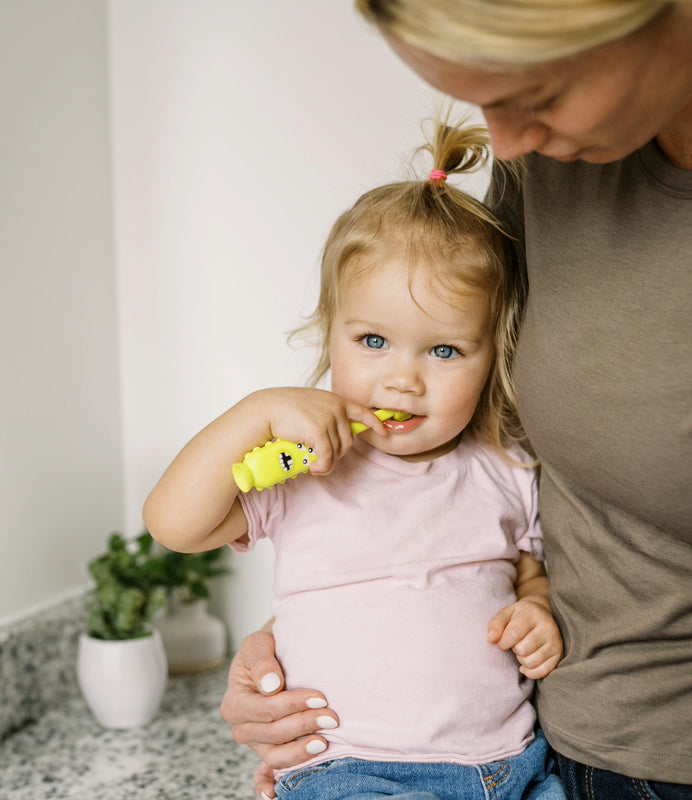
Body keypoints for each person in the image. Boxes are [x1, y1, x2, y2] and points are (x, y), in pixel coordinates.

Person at [218, 2, 692, 799]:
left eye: (541, 89)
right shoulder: (553, 160)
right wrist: (313, 645)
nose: (510, 144)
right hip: (540, 744)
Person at [144, 117, 567, 800]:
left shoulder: (504, 468)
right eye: (373, 340)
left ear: (494, 359)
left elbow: (527, 573)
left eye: (443, 351)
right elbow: (173, 523)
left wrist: (536, 611)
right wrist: (255, 413)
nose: (402, 379)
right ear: (330, 331)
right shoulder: (301, 467)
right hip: (352, 771)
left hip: (509, 766)